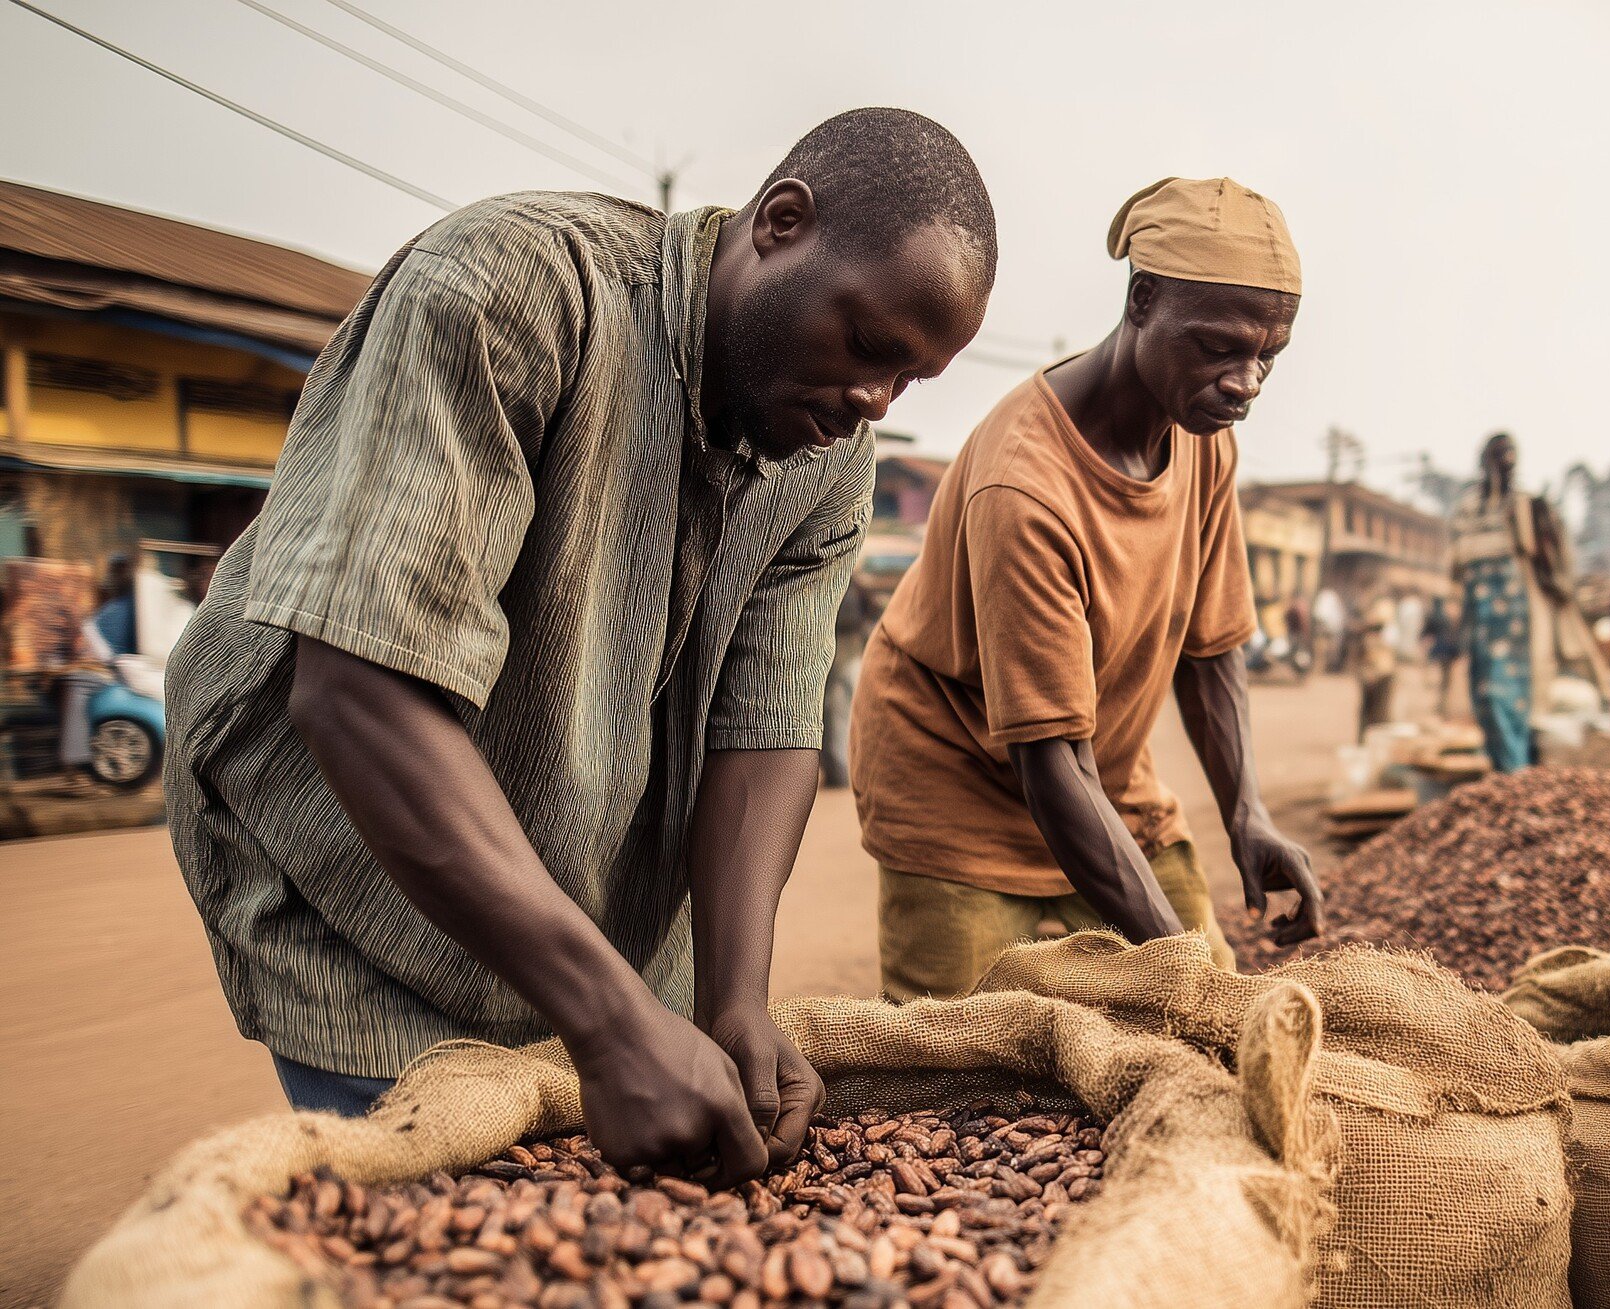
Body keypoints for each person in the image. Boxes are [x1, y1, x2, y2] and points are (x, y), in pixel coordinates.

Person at [163, 109, 996, 1182]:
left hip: (578, 879)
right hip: (352, 873)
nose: (874, 399)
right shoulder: (514, 291)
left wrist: (732, 1001)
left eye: (911, 380)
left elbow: (766, 729)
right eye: (867, 345)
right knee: (444, 1212)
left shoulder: (828, 462)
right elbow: (358, 689)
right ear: (781, 224)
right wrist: (607, 1022)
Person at [851, 177, 1324, 1001]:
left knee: (1212, 990)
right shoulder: (1026, 487)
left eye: (1266, 356)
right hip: (957, 776)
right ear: (1143, 300)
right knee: (949, 1057)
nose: (1246, 380)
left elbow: (1211, 652)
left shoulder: (1201, 437)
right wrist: (1175, 965)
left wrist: (1246, 811)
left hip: (1104, 777)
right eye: (1219, 347)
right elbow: (1051, 766)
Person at [1448, 432, 1610, 772]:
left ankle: (1519, 776)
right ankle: (1510, 774)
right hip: (1482, 626)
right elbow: (1455, 568)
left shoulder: (1528, 508)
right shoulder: (1468, 510)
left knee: (1527, 702)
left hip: (1523, 623)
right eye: (1498, 460)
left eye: (1510, 460)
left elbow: (1556, 566)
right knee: (1488, 699)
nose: (1505, 468)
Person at [57, 554, 138, 791]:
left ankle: (78, 765)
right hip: (105, 666)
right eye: (116, 571)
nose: (117, 577)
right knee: (78, 681)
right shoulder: (114, 607)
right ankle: (77, 765)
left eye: (120, 571)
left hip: (119, 668)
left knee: (80, 683)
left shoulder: (129, 605)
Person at [819, 578, 881, 788]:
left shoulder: (849, 585)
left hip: (842, 653)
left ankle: (840, 773)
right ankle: (840, 772)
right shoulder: (854, 586)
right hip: (843, 652)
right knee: (839, 713)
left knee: (836, 713)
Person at [1355, 595, 1400, 738]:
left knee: (1379, 712)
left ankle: (1370, 739)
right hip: (1371, 674)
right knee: (1368, 710)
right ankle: (1363, 739)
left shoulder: (1388, 632)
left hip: (1382, 673)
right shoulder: (1369, 634)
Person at [1419, 595, 1460, 713]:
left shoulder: (1436, 616)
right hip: (1448, 651)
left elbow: (1426, 631)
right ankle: (1441, 706)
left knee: (1440, 680)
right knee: (1444, 681)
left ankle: (1440, 706)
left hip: (1441, 651)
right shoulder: (1448, 616)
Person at [1312, 584, 1348, 672]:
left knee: (1326, 650)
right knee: (1324, 649)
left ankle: (1324, 668)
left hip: (1330, 628)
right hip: (1329, 627)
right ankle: (1323, 668)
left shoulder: (1326, 596)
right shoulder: (1329, 597)